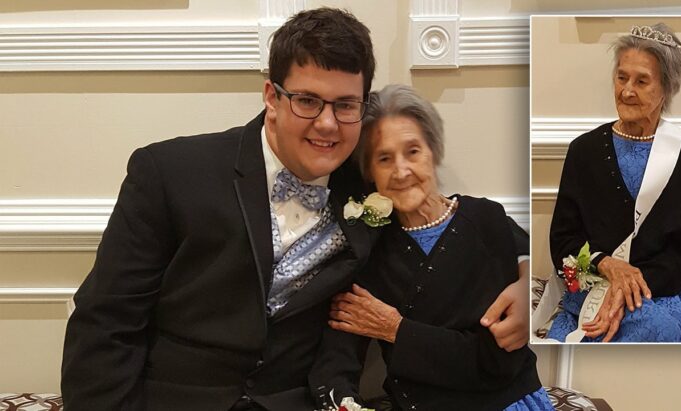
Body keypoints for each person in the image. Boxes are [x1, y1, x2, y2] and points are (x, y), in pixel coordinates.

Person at [61, 8, 531, 411]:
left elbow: (469, 222)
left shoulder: (373, 184)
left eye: (345, 105)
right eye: (307, 100)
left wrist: (528, 279)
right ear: (271, 97)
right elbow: (106, 325)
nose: (327, 124)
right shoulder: (169, 172)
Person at [309, 85, 552, 410]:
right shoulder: (368, 249)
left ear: (433, 152)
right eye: (384, 158)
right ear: (369, 173)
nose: (401, 171)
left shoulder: (485, 220)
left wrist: (396, 330)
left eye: (413, 151)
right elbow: (335, 362)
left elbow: (495, 362)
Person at [546, 23, 681, 342]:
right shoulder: (584, 151)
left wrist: (630, 286)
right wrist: (607, 266)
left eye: (642, 81)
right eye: (621, 77)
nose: (627, 91)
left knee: (658, 331)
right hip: (592, 285)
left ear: (667, 88)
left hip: (654, 291)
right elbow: (563, 240)